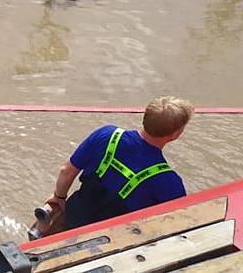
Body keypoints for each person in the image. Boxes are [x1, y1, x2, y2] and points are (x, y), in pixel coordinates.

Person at [46, 96, 194, 230]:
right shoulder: (168, 182)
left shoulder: (106, 135)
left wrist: (59, 198)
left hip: (73, 218)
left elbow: (67, 171)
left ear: (145, 117)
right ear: (175, 135)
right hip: (109, 242)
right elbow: (178, 223)